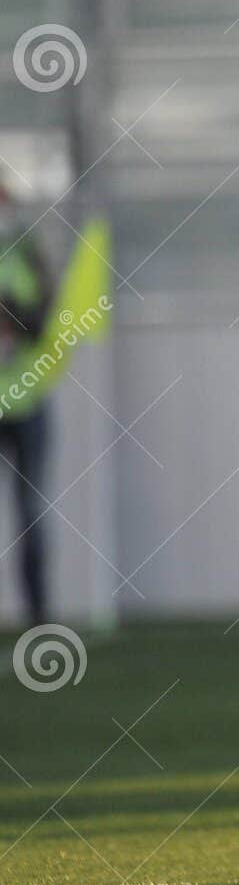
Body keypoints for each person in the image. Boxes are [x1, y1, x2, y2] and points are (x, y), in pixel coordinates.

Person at [0, 183, 57, 625]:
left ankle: (38, 612)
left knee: (31, 511)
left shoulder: (26, 252)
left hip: (27, 403)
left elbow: (40, 322)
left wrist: (10, 309)